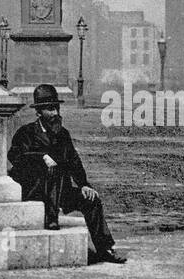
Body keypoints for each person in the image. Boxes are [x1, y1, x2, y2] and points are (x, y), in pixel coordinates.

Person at [7, 84, 126, 264]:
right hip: (34, 192)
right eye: (49, 109)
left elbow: (74, 162)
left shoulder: (63, 135)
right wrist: (41, 157)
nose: (55, 113)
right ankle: (51, 219)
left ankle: (105, 249)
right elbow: (15, 157)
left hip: (60, 192)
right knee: (51, 170)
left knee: (91, 200)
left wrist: (85, 185)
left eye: (57, 108)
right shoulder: (26, 133)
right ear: (38, 112)